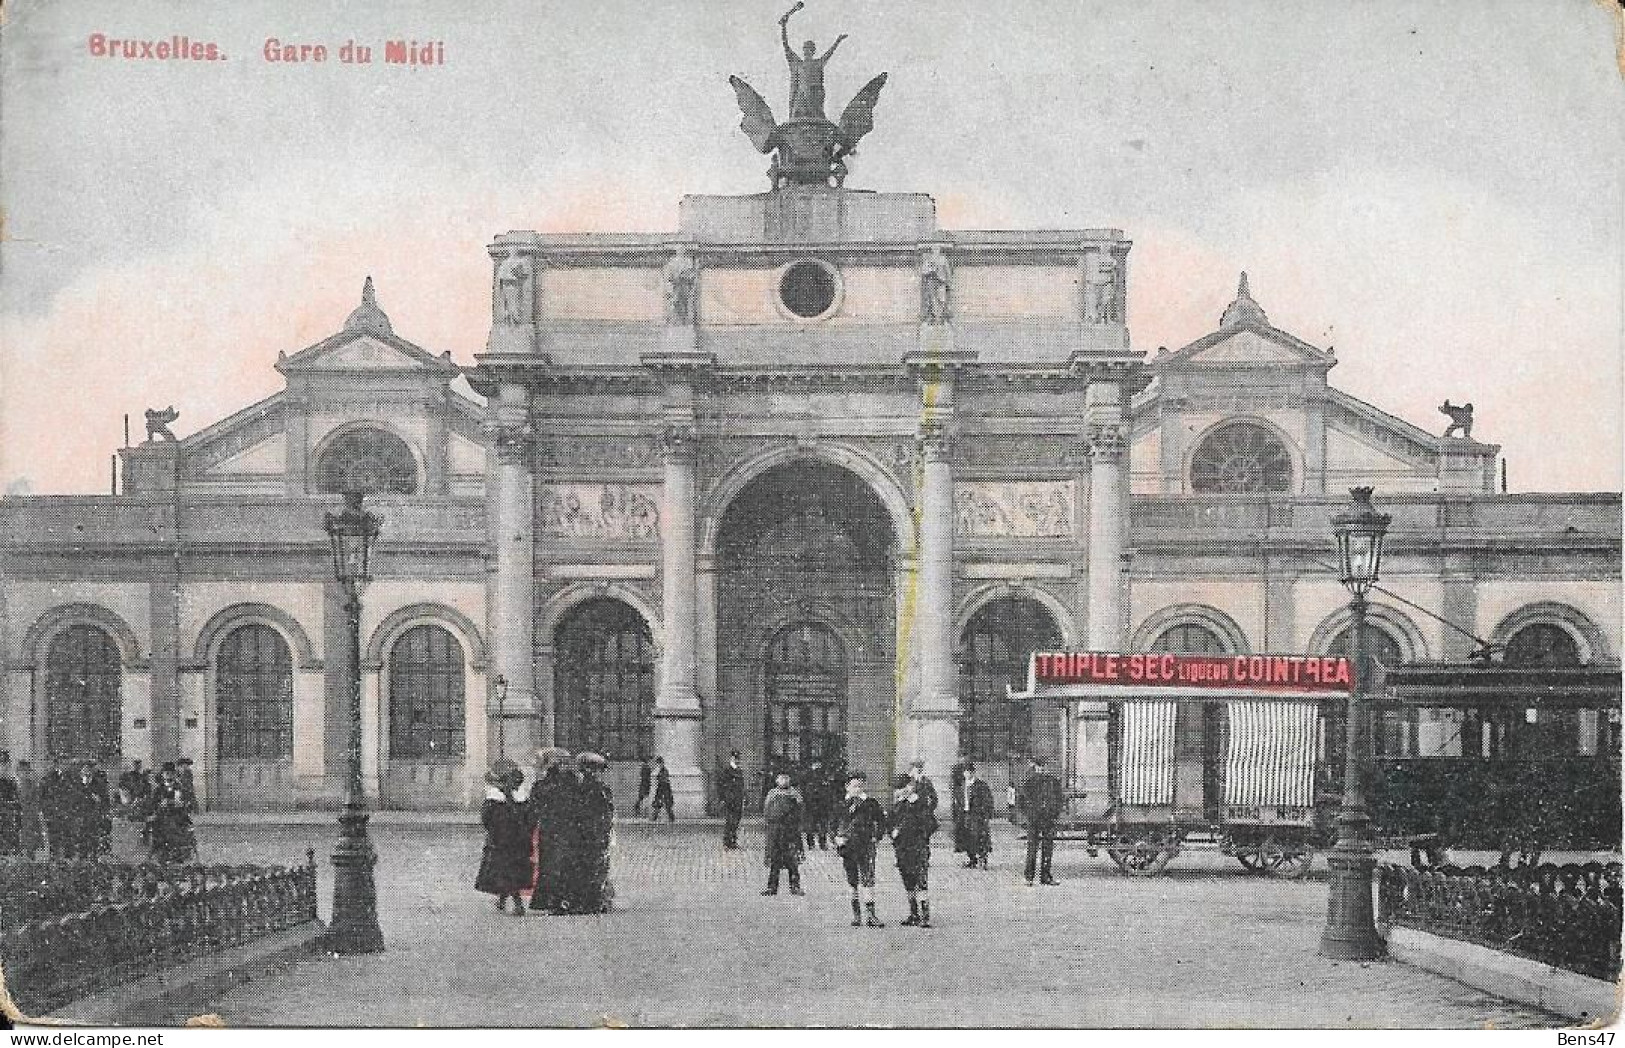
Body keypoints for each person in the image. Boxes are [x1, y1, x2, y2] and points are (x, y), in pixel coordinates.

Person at [476, 759, 536, 916]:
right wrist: (525, 831)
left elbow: (487, 820)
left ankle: (516, 904)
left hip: (502, 842)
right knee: (511, 872)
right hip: (518, 841)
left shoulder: (495, 801)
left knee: (505, 872)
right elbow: (531, 818)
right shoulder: (520, 801)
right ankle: (504, 901)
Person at [564, 752, 615, 914]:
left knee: (593, 866)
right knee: (591, 866)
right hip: (589, 833)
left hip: (593, 833)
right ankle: (591, 900)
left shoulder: (595, 789)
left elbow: (608, 812)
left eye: (596, 770)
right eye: (591, 769)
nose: (594, 773)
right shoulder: (589, 789)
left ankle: (592, 900)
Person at [834, 771, 886, 928]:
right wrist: (836, 838)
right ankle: (856, 915)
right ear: (847, 787)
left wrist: (877, 836)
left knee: (868, 879)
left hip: (866, 846)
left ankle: (871, 915)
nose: (858, 789)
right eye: (854, 786)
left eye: (860, 786)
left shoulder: (871, 803)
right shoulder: (841, 805)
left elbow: (882, 821)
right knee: (852, 880)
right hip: (848, 847)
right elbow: (832, 824)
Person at [529, 748, 575, 913]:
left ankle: (548, 900)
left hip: (548, 830)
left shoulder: (540, 786)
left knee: (548, 865)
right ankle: (565, 899)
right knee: (566, 864)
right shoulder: (570, 784)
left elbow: (533, 810)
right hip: (568, 829)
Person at [1018, 756, 1064, 886]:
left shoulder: (1053, 782)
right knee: (1032, 848)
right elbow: (1021, 801)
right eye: (1040, 767)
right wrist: (1029, 815)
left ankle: (1045, 877)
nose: (1042, 769)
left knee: (1048, 848)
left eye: (1044, 767)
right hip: (1034, 820)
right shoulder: (1029, 782)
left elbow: (1059, 800)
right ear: (1036, 768)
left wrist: (1054, 814)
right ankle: (1029, 877)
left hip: (1048, 819)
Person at [761, 771, 805, 896]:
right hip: (776, 832)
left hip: (790, 831)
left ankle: (795, 886)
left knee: (792, 860)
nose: (784, 780)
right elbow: (767, 811)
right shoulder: (772, 794)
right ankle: (772, 887)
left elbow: (801, 812)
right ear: (777, 780)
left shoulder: (795, 795)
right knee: (775, 860)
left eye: (786, 778)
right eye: (781, 778)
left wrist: (797, 827)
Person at [149, 763, 196, 863]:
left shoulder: (181, 788)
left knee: (181, 829)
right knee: (156, 829)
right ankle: (159, 853)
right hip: (162, 817)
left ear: (175, 774)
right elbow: (152, 805)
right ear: (162, 775)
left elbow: (189, 803)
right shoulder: (158, 790)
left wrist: (182, 804)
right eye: (166, 773)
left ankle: (181, 854)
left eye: (171, 773)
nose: (169, 776)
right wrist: (161, 805)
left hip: (178, 817)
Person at [955, 763, 995, 869]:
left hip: (977, 815)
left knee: (979, 837)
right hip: (965, 815)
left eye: (969, 772)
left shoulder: (981, 785)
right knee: (967, 837)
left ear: (973, 773)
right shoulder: (961, 787)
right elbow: (958, 802)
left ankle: (983, 858)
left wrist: (985, 814)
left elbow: (989, 800)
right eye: (965, 772)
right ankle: (972, 859)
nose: (967, 774)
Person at [802, 757, 832, 850]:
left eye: (819, 764)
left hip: (820, 803)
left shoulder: (823, 775)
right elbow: (804, 788)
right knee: (812, 825)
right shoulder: (808, 775)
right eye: (816, 763)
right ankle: (812, 843)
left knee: (820, 824)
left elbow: (827, 789)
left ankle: (821, 843)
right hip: (812, 803)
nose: (817, 765)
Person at [717, 750, 745, 850]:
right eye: (735, 759)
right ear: (731, 759)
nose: (737, 761)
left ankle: (733, 841)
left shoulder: (739, 771)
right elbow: (721, 786)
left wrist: (743, 797)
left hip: (738, 799)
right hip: (729, 800)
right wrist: (723, 798)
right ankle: (726, 841)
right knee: (729, 821)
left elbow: (741, 786)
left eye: (738, 759)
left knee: (736, 820)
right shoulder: (726, 771)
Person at [16, 760, 42, 860]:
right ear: (18, 772)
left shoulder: (32, 784)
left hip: (29, 815)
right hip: (19, 815)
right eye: (22, 771)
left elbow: (35, 799)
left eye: (27, 771)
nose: (25, 774)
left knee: (30, 840)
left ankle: (30, 857)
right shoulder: (15, 784)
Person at [0, 753, 20, 857]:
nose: (4, 767)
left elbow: (18, 801)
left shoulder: (13, 781)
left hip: (11, 819)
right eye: (2, 764)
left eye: (6, 763)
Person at [649, 756, 675, 823]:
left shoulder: (664, 770)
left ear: (661, 763)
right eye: (658, 763)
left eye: (659, 763)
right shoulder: (662, 770)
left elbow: (664, 780)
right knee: (658, 804)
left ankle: (671, 818)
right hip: (661, 789)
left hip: (664, 789)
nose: (659, 765)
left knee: (666, 804)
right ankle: (655, 817)